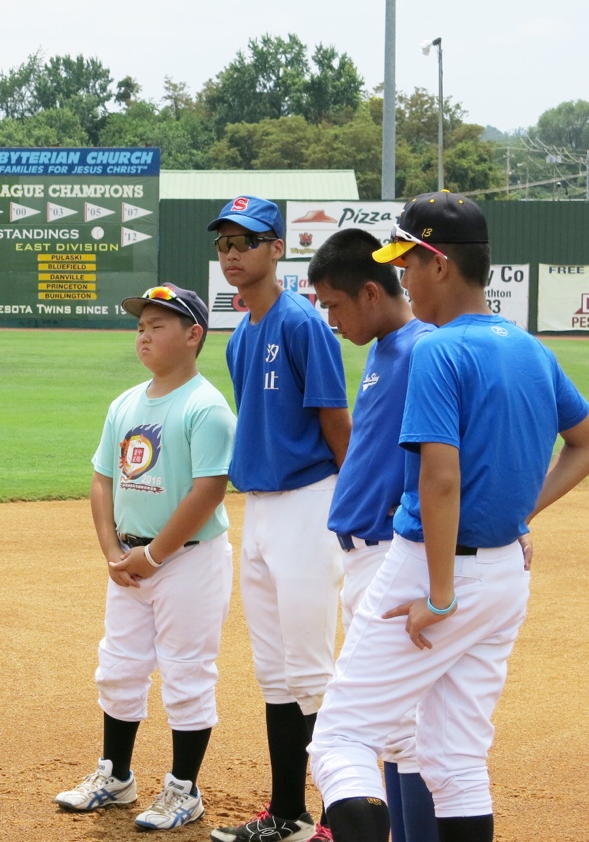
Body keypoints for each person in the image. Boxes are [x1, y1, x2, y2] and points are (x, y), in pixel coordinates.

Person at [308, 192, 589, 842]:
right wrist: (524, 514)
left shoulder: (436, 351)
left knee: (341, 740)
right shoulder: (529, 349)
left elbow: (439, 480)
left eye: (407, 261)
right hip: (505, 576)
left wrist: (438, 595)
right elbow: (582, 443)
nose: (400, 277)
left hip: (435, 570)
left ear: (438, 263)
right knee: (455, 759)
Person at [54, 285, 236, 832]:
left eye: (158, 325)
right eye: (140, 326)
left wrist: (153, 557)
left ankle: (184, 789)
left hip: (188, 562)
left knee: (187, 674)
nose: (145, 335)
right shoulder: (125, 403)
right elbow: (102, 478)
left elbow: (209, 490)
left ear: (193, 335)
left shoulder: (206, 407)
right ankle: (116, 775)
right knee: (119, 667)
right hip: (130, 561)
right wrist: (114, 550)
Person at [206, 196, 352, 842]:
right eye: (223, 243)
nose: (232, 253)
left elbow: (335, 423)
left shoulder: (302, 324)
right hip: (259, 512)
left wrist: (351, 507)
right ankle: (287, 813)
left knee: (314, 673)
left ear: (276, 248)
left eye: (246, 240)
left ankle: (335, 819)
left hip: (309, 505)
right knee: (276, 673)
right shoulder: (241, 337)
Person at [308, 228, 437, 842]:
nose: (330, 319)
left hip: (391, 552)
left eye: (333, 305)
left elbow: (454, 457)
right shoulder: (387, 347)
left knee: (401, 730)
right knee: (394, 728)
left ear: (368, 292)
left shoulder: (419, 350)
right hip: (364, 554)